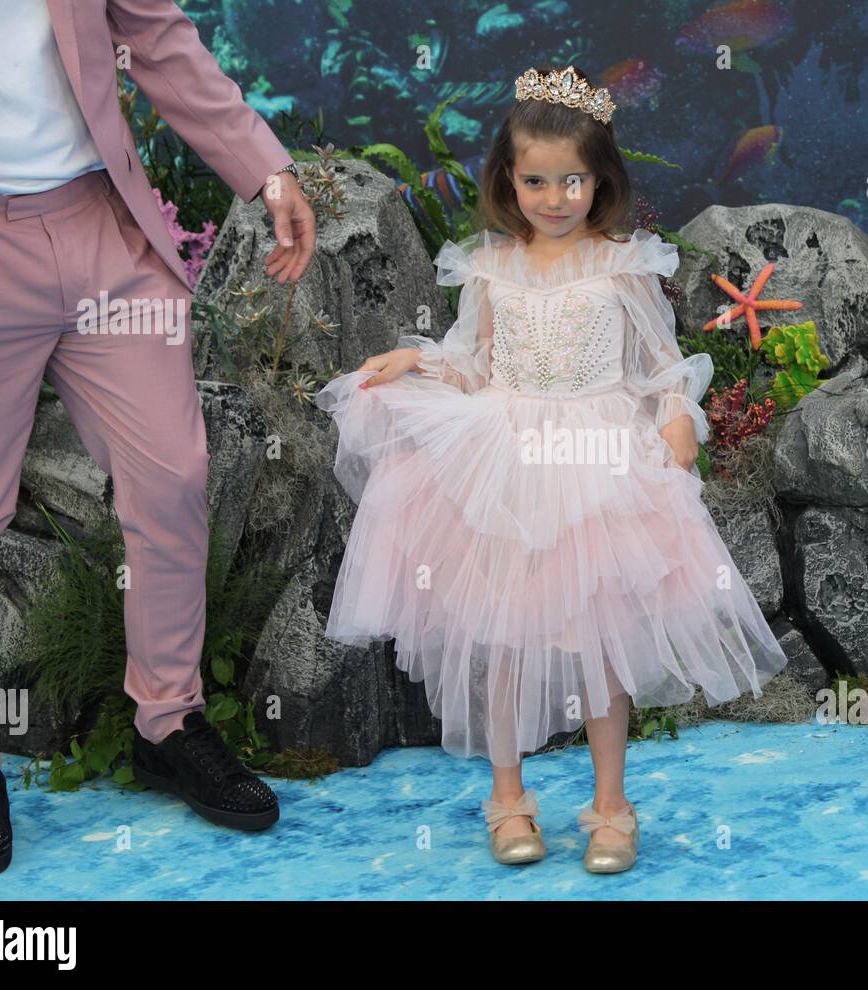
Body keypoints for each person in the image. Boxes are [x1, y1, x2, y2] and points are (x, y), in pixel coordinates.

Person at [314, 64, 788, 874]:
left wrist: (677, 419)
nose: (556, 197)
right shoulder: (491, 266)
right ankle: (507, 798)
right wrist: (418, 361)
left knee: (598, 642)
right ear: (509, 179)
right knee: (503, 636)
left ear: (600, 180)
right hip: (506, 460)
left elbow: (660, 365)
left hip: (599, 459)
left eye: (573, 180)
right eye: (536, 180)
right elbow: (474, 364)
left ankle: (611, 806)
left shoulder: (624, 264)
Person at [0, 0, 316, 877]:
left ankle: (168, 722)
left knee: (174, 475)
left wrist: (269, 173)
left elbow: (159, 39)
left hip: (104, 234)